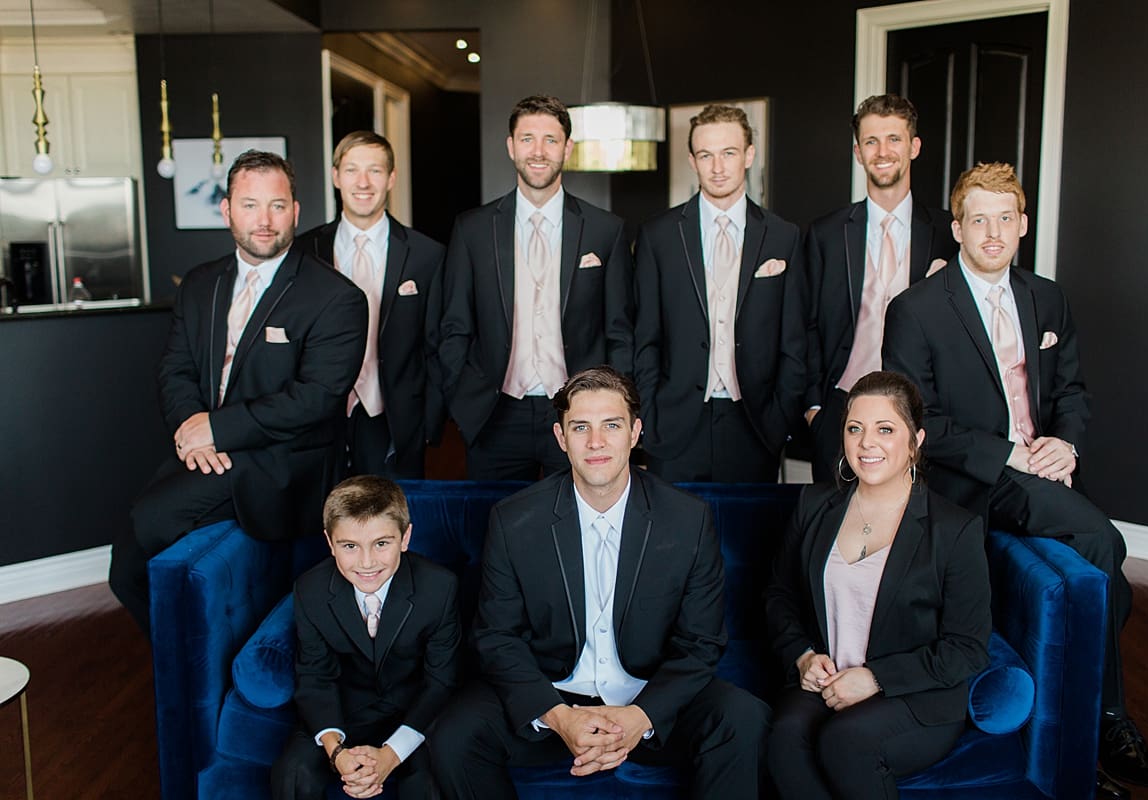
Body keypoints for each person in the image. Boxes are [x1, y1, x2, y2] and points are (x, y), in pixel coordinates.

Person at [882, 162, 1148, 798]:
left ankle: (1084, 718)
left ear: (1022, 224)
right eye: (978, 220)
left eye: (1005, 219)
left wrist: (1065, 444)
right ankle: (1106, 723)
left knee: (1102, 579)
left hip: (1042, 469)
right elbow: (915, 418)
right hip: (972, 477)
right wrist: (1008, 455)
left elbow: (1071, 390)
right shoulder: (915, 309)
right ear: (957, 228)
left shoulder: (1048, 297)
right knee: (1106, 546)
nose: (993, 232)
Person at [428, 366, 769, 798]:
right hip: (554, 697)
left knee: (743, 717)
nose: (595, 442)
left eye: (611, 425)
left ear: (634, 432)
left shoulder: (687, 519)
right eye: (580, 427)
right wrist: (557, 715)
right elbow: (497, 637)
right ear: (560, 437)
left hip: (651, 698)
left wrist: (641, 716)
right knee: (455, 734)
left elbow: (701, 643)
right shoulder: (515, 520)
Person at [108, 150, 368, 636]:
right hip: (208, 451)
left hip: (281, 462)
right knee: (126, 563)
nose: (264, 221)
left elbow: (316, 398)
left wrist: (218, 428)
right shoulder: (200, 284)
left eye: (276, 205)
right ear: (227, 210)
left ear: (296, 210)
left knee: (148, 525)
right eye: (250, 205)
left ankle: (195, 656)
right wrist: (194, 428)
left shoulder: (336, 297)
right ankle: (185, 657)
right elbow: (175, 368)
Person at [765, 370, 991, 799]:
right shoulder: (814, 506)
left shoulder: (955, 530)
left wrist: (876, 679)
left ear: (916, 440)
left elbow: (968, 648)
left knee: (846, 740)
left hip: (914, 694)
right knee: (782, 736)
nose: (866, 443)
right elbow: (779, 596)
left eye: (885, 429)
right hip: (825, 683)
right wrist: (803, 656)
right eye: (855, 429)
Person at [439, 95, 634, 480]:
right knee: (495, 530)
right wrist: (461, 399)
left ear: (568, 147)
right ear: (511, 146)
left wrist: (612, 409)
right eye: (527, 139)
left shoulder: (605, 230)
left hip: (581, 415)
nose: (539, 151)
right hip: (495, 413)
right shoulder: (472, 229)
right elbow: (454, 326)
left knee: (575, 531)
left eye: (551, 139)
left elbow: (619, 331)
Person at [634, 103, 805, 482]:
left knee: (751, 538)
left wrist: (779, 420)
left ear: (748, 155)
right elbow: (645, 337)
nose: (718, 167)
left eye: (728, 153)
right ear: (692, 161)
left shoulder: (783, 236)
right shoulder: (658, 236)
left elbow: (794, 340)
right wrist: (651, 415)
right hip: (675, 424)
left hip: (756, 424)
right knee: (672, 539)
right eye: (706, 155)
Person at [272, 476, 459, 800]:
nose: (367, 562)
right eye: (349, 546)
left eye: (381, 543)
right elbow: (315, 677)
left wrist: (391, 754)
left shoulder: (439, 588)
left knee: (430, 784)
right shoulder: (311, 590)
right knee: (293, 776)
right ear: (330, 543)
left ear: (405, 537)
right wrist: (337, 752)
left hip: (412, 713)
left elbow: (440, 681)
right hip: (343, 711)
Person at [803, 94, 957, 482]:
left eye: (894, 139)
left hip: (918, 406)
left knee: (911, 526)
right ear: (858, 152)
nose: (883, 151)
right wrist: (813, 407)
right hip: (840, 404)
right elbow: (803, 324)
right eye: (871, 141)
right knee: (833, 520)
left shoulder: (946, 232)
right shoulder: (826, 234)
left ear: (914, 146)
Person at [296, 131, 446, 479]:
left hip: (394, 416)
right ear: (336, 176)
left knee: (390, 519)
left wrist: (429, 424)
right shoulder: (304, 252)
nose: (363, 182)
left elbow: (438, 345)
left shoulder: (428, 256)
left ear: (391, 178)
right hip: (317, 418)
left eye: (375, 171)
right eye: (351, 170)